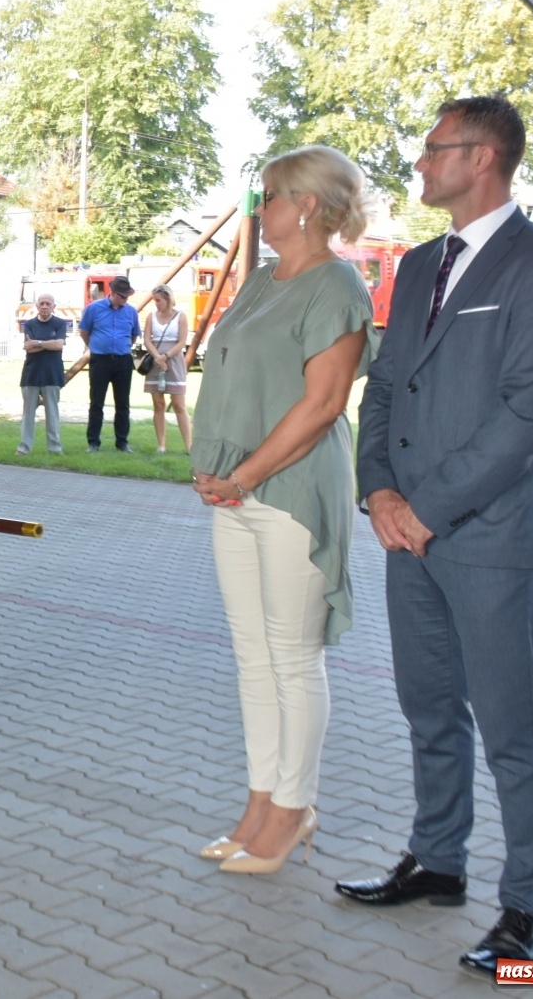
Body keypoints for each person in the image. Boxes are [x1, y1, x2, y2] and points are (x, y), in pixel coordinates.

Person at [342, 95, 533, 974]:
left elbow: (528, 413)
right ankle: (438, 862)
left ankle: (531, 911)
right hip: (406, 532)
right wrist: (376, 487)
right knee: (427, 707)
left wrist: (425, 507)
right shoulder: (415, 267)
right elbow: (383, 386)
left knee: (512, 726)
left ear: (482, 157)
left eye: (433, 150)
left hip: (485, 535)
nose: (420, 165)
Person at [190, 145, 376, 876]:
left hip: (291, 490)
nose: (258, 210)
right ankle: (261, 801)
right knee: (252, 657)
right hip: (234, 489)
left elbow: (324, 403)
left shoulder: (337, 286)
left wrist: (246, 475)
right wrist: (215, 469)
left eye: (268, 196)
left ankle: (294, 808)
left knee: (293, 660)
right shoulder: (263, 279)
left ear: (305, 205)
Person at [79, 275, 139, 453]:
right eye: (124, 296)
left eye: (128, 296)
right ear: (113, 293)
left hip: (123, 360)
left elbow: (134, 335)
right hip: (100, 360)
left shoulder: (131, 311)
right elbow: (84, 332)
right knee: (96, 402)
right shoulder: (94, 309)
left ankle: (122, 442)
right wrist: (96, 347)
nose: (126, 299)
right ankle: (93, 442)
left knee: (123, 403)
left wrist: (122, 345)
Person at [142, 285, 191, 454]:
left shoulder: (181, 316)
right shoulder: (151, 317)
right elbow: (147, 339)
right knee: (158, 403)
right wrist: (157, 356)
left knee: (179, 405)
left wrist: (166, 356)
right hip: (155, 360)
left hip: (174, 360)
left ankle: (189, 446)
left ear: (168, 299)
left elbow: (182, 341)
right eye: (154, 300)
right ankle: (161, 444)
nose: (156, 303)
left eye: (158, 300)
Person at [16, 292, 66, 455]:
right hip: (31, 373)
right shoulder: (29, 324)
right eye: (41, 303)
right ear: (37, 306)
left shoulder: (59, 323)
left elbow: (59, 345)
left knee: (52, 413)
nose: (45, 306)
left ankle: (54, 448)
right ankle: (24, 448)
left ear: (53, 307)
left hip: (52, 373)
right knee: (28, 413)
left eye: (48, 304)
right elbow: (27, 347)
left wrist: (38, 342)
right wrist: (46, 344)